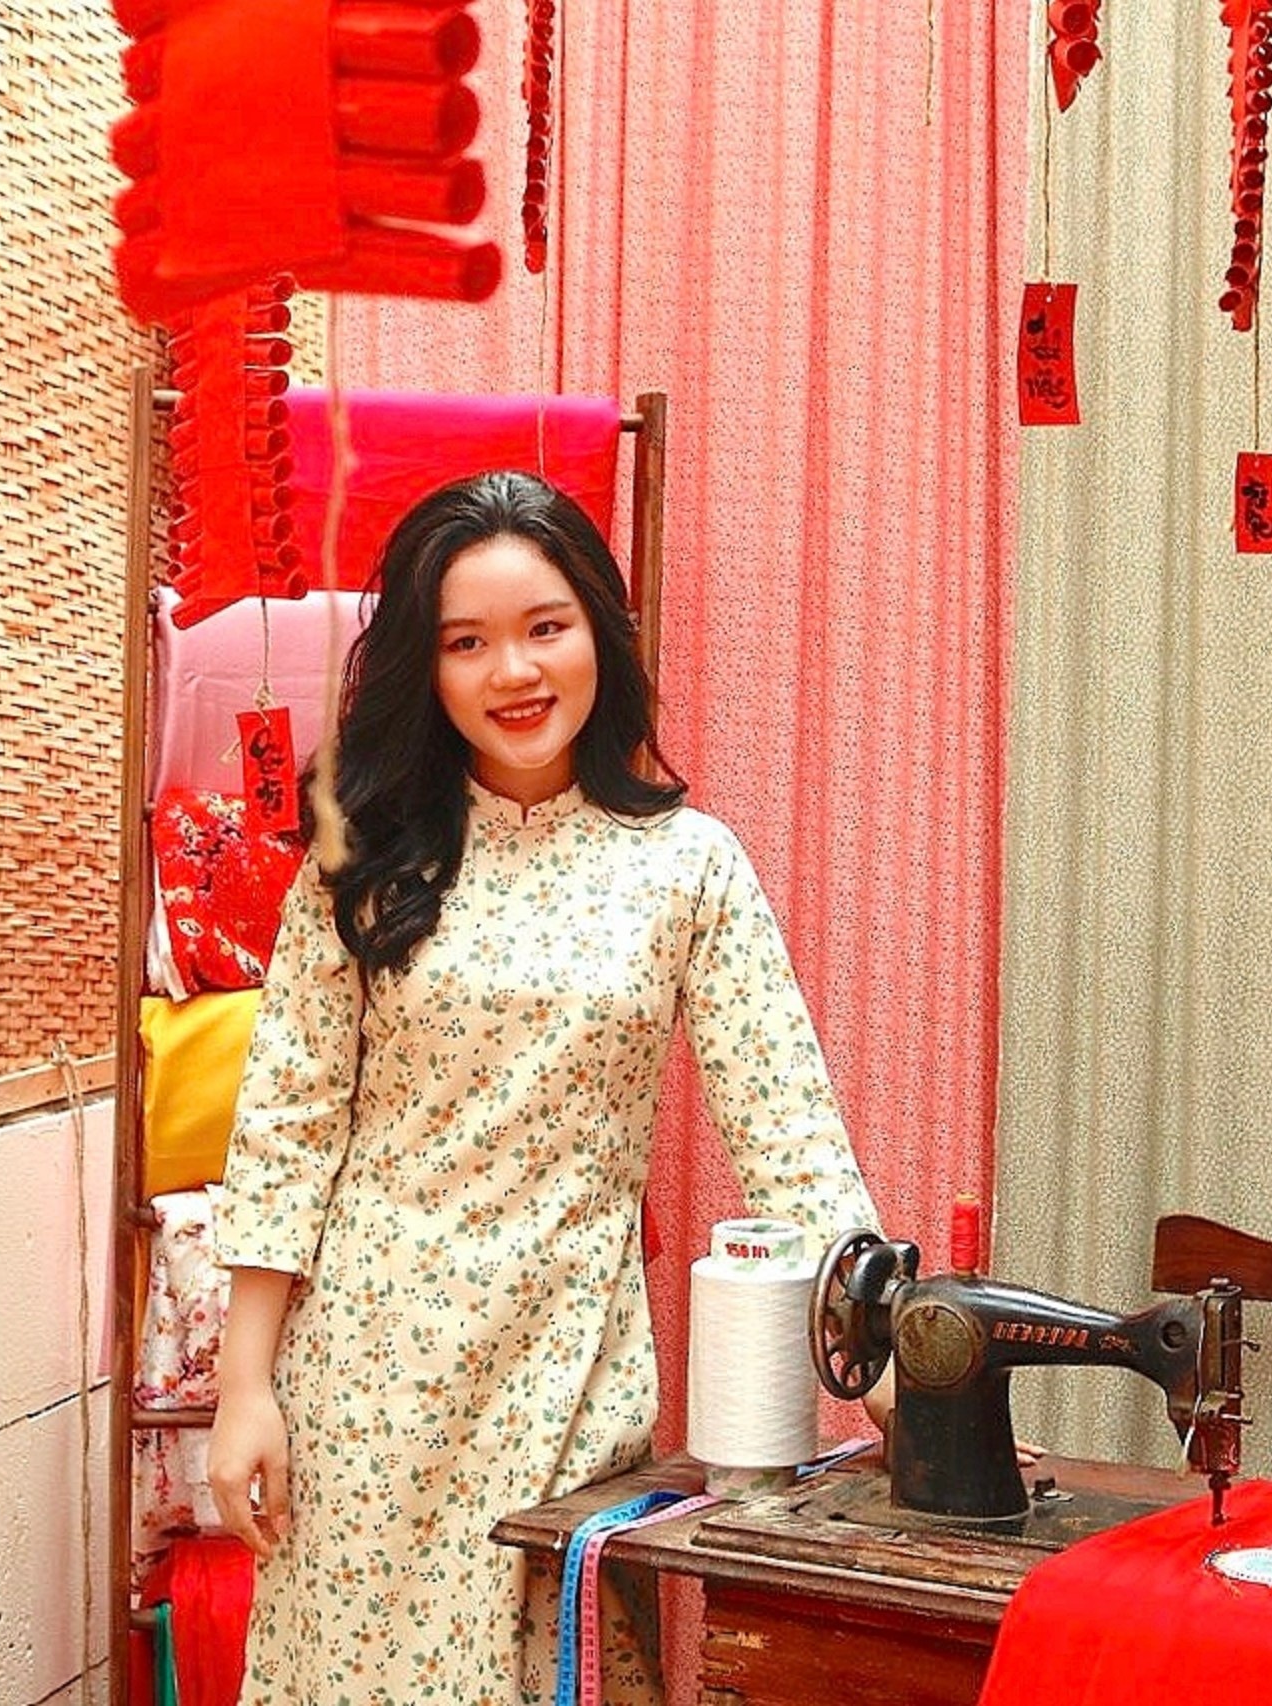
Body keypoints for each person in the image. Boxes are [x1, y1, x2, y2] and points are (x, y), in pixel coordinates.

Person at [206, 470, 887, 1705]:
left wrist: (894, 1378)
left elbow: (788, 1130)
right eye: (466, 641)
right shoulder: (362, 858)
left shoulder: (687, 867)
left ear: (600, 636)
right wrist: (244, 1386)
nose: (512, 671)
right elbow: (286, 1129)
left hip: (568, 1374)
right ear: (424, 666)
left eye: (544, 627)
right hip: (362, 1378)